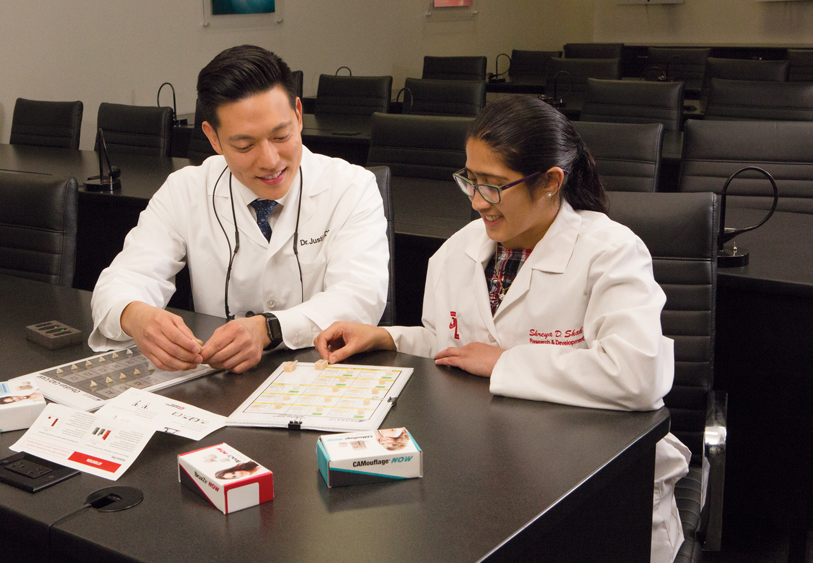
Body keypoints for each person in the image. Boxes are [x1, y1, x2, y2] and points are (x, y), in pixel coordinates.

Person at [314, 95, 691, 563]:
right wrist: (389, 337)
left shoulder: (611, 252)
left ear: (551, 182)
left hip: (599, 479)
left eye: (492, 186)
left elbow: (638, 375)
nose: (476, 202)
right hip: (490, 477)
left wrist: (506, 364)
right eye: (469, 181)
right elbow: (454, 347)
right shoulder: (457, 252)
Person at [89, 45, 389, 375]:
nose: (270, 161)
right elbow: (120, 282)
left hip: (323, 377)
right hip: (223, 385)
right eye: (245, 146)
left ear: (299, 114)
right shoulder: (186, 190)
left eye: (281, 135)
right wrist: (136, 315)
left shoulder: (351, 187)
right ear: (213, 139)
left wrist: (269, 329)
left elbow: (360, 298)